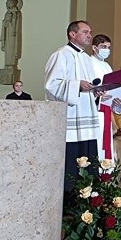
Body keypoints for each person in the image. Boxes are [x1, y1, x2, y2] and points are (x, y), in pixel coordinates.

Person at [44, 20, 102, 194]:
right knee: (72, 161)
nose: (90, 36)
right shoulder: (61, 55)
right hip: (70, 119)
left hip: (87, 118)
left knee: (89, 159)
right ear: (72, 34)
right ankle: (69, 202)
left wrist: (96, 92)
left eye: (90, 32)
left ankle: (89, 200)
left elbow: (90, 85)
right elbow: (51, 85)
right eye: (86, 32)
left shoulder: (86, 58)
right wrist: (77, 85)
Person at [0, 0, 22, 70]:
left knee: (12, 48)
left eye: (10, 3)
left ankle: (12, 64)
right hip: (7, 33)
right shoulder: (7, 13)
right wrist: (6, 21)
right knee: (7, 50)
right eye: (8, 3)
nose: (9, 4)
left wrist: (12, 19)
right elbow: (4, 24)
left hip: (13, 35)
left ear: (14, 3)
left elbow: (18, 24)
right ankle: (7, 64)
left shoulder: (17, 13)